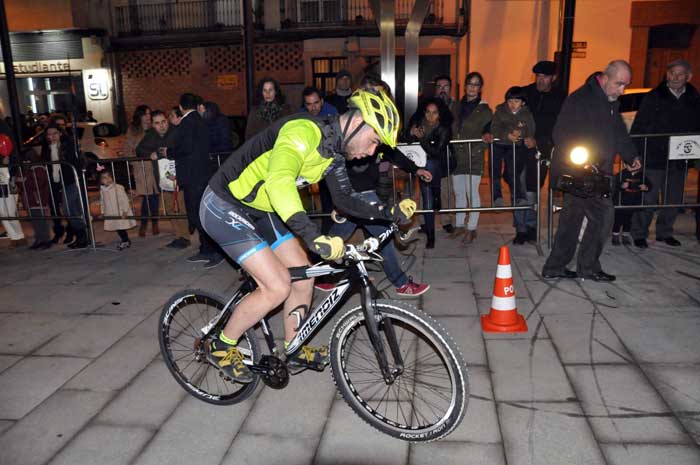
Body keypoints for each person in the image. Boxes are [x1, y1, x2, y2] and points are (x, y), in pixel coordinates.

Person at [201, 88, 416, 382]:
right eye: (375, 140)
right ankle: (222, 345)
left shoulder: (333, 152)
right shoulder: (303, 131)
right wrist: (314, 236)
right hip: (223, 203)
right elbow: (279, 183)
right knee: (277, 285)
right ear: (357, 123)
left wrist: (389, 212)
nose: (372, 151)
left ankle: (294, 345)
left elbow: (344, 199)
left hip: (261, 209)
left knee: (305, 274)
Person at [321, 76, 431, 297]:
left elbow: (392, 151)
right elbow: (330, 161)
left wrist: (415, 169)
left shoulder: (376, 126)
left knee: (336, 236)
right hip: (356, 190)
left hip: (363, 189)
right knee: (383, 234)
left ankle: (319, 275)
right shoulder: (350, 123)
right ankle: (400, 282)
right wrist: (339, 198)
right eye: (372, 92)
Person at [542, 60, 641, 282]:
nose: (622, 90)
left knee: (571, 220)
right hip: (581, 173)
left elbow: (618, 132)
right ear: (605, 78)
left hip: (595, 171)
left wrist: (630, 155)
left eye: (625, 85)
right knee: (603, 217)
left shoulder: (610, 101)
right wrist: (583, 162)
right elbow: (561, 133)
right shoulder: (580, 99)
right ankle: (587, 267)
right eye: (619, 84)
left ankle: (555, 266)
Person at [630, 59, 700, 248]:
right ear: (666, 74)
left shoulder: (694, 98)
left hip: (679, 159)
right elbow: (639, 125)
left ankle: (664, 232)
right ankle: (639, 233)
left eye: (680, 74)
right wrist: (635, 153)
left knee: (673, 199)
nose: (675, 77)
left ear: (688, 77)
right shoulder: (654, 96)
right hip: (654, 156)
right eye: (672, 73)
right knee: (648, 197)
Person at [171, 93, 224, 268]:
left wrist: (167, 153)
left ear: (180, 107)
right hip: (202, 174)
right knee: (199, 214)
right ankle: (205, 249)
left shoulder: (187, 123)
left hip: (193, 176)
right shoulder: (201, 121)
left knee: (196, 215)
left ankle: (215, 251)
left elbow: (184, 148)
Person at [523, 60, 566, 241]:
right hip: (526, 146)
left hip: (550, 148)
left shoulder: (561, 96)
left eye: (545, 76)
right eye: (538, 76)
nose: (540, 80)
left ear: (553, 78)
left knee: (543, 187)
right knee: (528, 188)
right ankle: (527, 227)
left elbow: (565, 121)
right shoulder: (526, 92)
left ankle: (538, 226)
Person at [137, 110, 190, 249]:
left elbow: (184, 149)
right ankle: (178, 235)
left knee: (180, 207)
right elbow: (139, 150)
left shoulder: (176, 132)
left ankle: (185, 236)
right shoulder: (151, 136)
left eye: (163, 121)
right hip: (162, 178)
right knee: (170, 208)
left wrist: (162, 152)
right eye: (157, 123)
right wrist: (150, 153)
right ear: (153, 125)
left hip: (178, 177)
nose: (161, 126)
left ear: (167, 120)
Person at [490, 86, 537, 244]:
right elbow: (495, 127)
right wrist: (508, 134)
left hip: (518, 152)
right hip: (500, 147)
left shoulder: (526, 114)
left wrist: (522, 134)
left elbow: (530, 130)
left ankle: (520, 202)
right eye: (510, 101)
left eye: (516, 101)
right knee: (496, 171)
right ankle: (497, 196)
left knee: (514, 175)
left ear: (522, 103)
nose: (512, 104)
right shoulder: (500, 111)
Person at [451, 72, 493, 243]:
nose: (472, 88)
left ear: (480, 88)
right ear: (465, 86)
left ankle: (472, 228)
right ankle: (460, 225)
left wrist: (479, 148)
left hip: (473, 156)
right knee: (459, 193)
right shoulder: (455, 106)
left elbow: (489, 133)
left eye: (476, 85)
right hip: (456, 156)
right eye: (470, 84)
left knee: (472, 193)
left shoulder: (485, 110)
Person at [406, 97, 453, 249]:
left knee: (432, 163)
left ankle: (437, 191)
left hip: (439, 166)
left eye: (434, 113)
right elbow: (404, 141)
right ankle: (431, 235)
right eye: (427, 112)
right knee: (427, 201)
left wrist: (422, 140)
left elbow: (436, 152)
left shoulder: (444, 128)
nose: (430, 116)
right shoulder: (419, 124)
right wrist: (410, 133)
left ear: (439, 114)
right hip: (422, 167)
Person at [41, 123, 89, 248]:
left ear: (60, 133)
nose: (52, 136)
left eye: (55, 133)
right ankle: (81, 237)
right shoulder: (47, 148)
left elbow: (74, 162)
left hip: (71, 181)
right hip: (57, 182)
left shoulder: (68, 145)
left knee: (70, 209)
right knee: (70, 210)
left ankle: (83, 236)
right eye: (49, 134)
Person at [301, 86, 339, 233]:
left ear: (322, 101)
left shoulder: (332, 112)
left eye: (316, 103)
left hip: (329, 160)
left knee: (328, 195)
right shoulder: (301, 116)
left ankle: (328, 228)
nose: (313, 107)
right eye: (309, 104)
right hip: (309, 162)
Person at [125, 106, 160, 237]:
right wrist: (134, 161)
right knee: (146, 197)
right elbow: (127, 150)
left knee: (155, 196)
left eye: (149, 113)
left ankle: (155, 223)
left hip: (154, 167)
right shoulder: (133, 130)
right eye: (145, 114)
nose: (148, 116)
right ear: (139, 115)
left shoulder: (153, 128)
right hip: (141, 169)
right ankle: (144, 224)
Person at [16, 150, 52, 249]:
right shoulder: (27, 168)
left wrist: (24, 180)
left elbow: (38, 184)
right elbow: (21, 181)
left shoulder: (38, 168)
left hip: (38, 199)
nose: (24, 162)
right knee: (35, 221)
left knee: (40, 220)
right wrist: (21, 181)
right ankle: (39, 239)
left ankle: (45, 240)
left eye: (26, 160)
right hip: (30, 199)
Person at [0, 119, 27, 247]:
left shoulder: (2, 126)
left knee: (9, 209)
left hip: (5, 171)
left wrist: (11, 166)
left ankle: (19, 235)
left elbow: (10, 147)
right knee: (1, 210)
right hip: (4, 169)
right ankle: (13, 236)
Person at [612, 162, 650, 246]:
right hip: (621, 202)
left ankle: (625, 236)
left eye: (635, 164)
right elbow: (614, 184)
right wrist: (621, 186)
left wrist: (646, 187)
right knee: (618, 220)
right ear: (625, 165)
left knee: (628, 221)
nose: (632, 166)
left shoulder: (641, 175)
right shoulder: (622, 174)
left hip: (633, 202)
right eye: (629, 164)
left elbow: (649, 185)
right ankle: (615, 235)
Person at [99, 171, 137, 250]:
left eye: (109, 176)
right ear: (101, 181)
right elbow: (102, 201)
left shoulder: (118, 187)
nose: (107, 179)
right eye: (104, 178)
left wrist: (125, 211)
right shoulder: (102, 190)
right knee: (117, 227)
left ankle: (125, 241)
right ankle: (125, 240)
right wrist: (102, 212)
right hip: (110, 212)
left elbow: (125, 200)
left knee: (120, 227)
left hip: (120, 211)